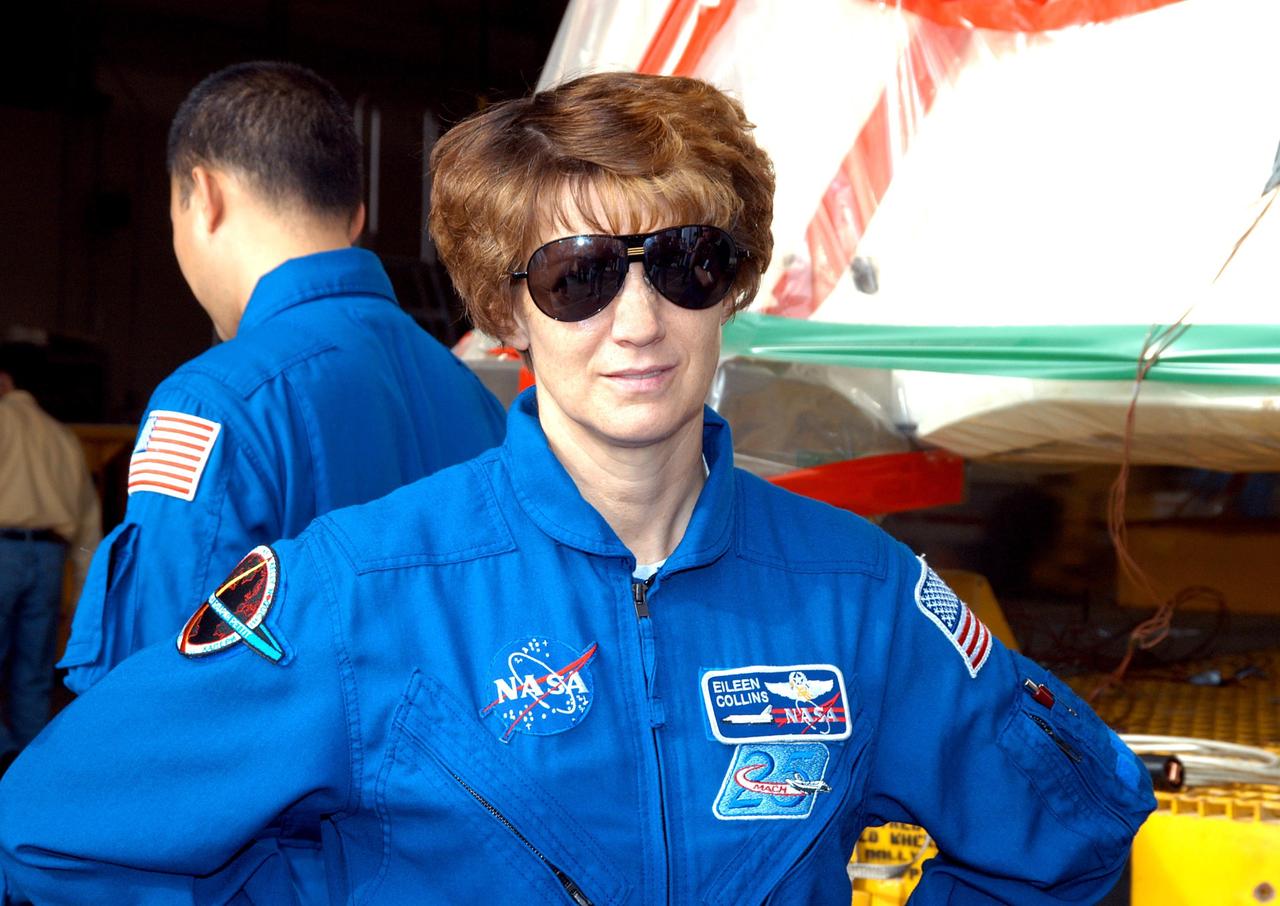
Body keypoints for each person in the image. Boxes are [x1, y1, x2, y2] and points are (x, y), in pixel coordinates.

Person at [0, 71, 1153, 904]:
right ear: (506, 312)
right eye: (579, 277)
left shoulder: (854, 593)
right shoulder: (352, 596)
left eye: (685, 263)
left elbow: (1067, 835)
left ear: (730, 287)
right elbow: (54, 836)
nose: (639, 322)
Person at [58, 61, 506, 695]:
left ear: (203, 194)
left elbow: (154, 694)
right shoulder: (477, 398)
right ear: (355, 217)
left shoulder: (213, 404)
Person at [0, 343, 100, 767]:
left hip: (3, 549)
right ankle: (28, 764)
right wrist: (80, 590)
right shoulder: (63, 436)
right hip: (49, 559)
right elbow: (88, 521)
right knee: (33, 670)